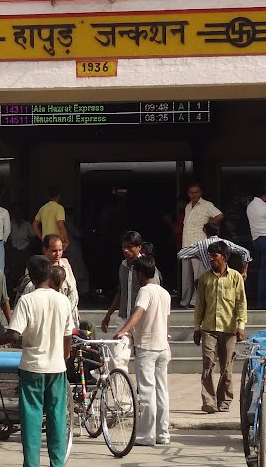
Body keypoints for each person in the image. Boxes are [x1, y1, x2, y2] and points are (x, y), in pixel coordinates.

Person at [0, 256, 73, 467]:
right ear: (49, 274)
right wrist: (64, 355)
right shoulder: (63, 300)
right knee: (57, 418)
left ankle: (32, 464)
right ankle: (58, 463)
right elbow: (68, 335)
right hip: (57, 368)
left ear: (29, 276)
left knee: (31, 420)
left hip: (32, 367)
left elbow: (12, 335)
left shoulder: (27, 300)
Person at [114, 255, 171, 447]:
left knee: (147, 392)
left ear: (139, 274)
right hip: (163, 346)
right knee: (162, 391)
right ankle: (162, 433)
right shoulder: (164, 293)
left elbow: (138, 313)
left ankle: (147, 435)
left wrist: (123, 331)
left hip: (147, 346)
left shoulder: (145, 291)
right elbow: (167, 320)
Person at [194, 240, 247, 413]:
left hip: (229, 329)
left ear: (224, 257)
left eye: (214, 256)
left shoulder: (235, 277)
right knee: (208, 365)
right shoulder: (204, 278)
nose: (211, 259)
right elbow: (200, 305)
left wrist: (241, 326)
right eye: (210, 256)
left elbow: (241, 303)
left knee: (227, 368)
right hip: (209, 328)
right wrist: (197, 328)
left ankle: (224, 400)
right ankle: (209, 401)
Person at [101, 231, 162, 371]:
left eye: (130, 247)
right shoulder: (122, 266)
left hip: (143, 321)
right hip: (124, 318)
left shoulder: (147, 267)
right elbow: (121, 291)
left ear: (139, 247)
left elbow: (155, 294)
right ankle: (121, 393)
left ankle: (144, 392)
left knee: (144, 363)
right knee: (117, 358)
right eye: (123, 247)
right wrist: (108, 315)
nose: (126, 251)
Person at [179, 182, 223, 309]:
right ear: (188, 193)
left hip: (199, 244)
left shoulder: (206, 205)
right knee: (186, 275)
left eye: (196, 192)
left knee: (199, 275)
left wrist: (208, 227)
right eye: (191, 192)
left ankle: (195, 301)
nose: (193, 195)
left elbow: (219, 215)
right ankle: (185, 301)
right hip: (186, 245)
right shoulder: (188, 206)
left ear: (201, 193)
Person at [20, 235, 79, 326]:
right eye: (54, 251)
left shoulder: (66, 265)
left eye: (60, 250)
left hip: (66, 319)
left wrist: (68, 311)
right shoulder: (36, 266)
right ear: (45, 250)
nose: (58, 254)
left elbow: (73, 291)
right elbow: (30, 291)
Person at [176, 221, 251, 283]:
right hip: (226, 278)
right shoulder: (226, 243)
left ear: (205, 231)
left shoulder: (200, 245)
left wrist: (199, 256)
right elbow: (245, 252)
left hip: (209, 280)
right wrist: (244, 270)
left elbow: (181, 254)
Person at [8, 205, 39, 285]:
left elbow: (33, 237)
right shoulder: (10, 224)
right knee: (14, 269)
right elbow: (7, 237)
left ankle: (24, 285)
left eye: (20, 212)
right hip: (14, 249)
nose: (18, 214)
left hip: (25, 249)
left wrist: (29, 246)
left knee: (25, 269)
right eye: (16, 212)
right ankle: (14, 287)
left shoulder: (27, 224)